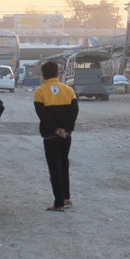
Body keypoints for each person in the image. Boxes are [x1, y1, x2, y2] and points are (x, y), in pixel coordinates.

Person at [34, 60, 79, 212]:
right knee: (64, 164)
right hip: (66, 136)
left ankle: (58, 202)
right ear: (58, 74)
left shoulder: (40, 92)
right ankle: (66, 197)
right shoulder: (68, 90)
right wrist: (66, 129)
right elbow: (74, 112)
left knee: (55, 168)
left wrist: (55, 130)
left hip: (50, 136)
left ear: (43, 75)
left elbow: (43, 115)